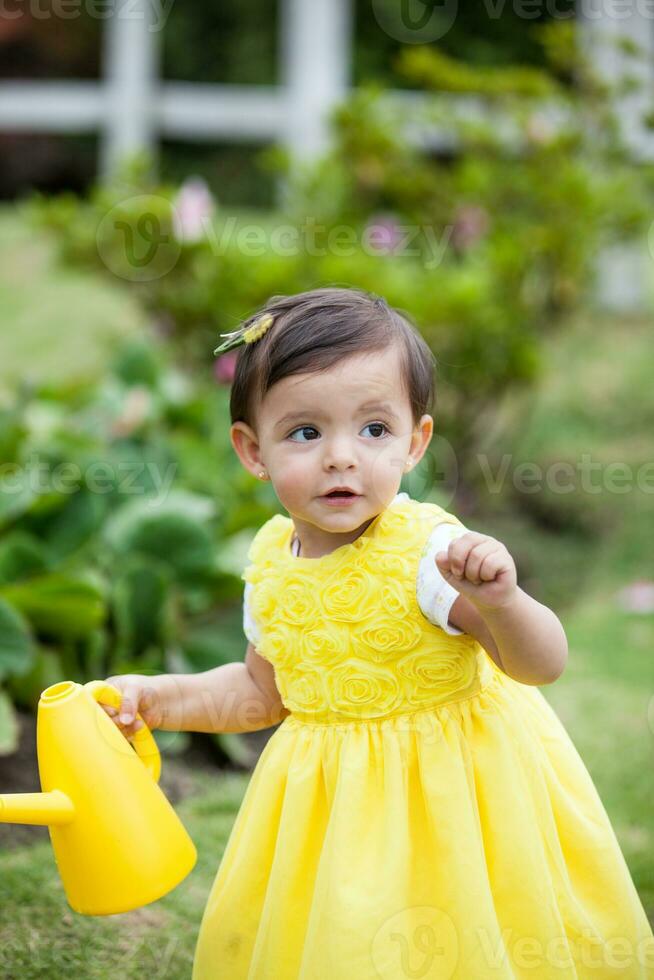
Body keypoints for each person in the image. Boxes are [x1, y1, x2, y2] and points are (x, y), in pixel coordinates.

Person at [100, 287, 654, 979]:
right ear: (253, 450)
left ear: (414, 441)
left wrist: (504, 601)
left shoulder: (426, 554)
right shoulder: (272, 563)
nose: (341, 457)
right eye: (305, 432)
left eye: (373, 430)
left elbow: (542, 664)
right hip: (333, 817)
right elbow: (260, 694)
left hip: (455, 804)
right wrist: (158, 698)